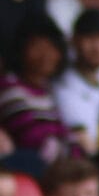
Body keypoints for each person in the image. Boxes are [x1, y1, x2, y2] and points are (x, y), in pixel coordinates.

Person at [0, 24, 77, 173]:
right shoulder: (8, 86)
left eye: (52, 47)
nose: (45, 55)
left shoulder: (46, 92)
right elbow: (33, 138)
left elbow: (71, 140)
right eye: (37, 47)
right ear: (21, 50)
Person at [52, 10, 99, 151]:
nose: (97, 47)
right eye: (90, 38)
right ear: (74, 41)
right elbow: (87, 144)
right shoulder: (63, 86)